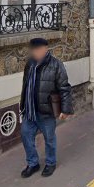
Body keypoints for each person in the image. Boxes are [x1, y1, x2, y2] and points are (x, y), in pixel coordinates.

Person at [19, 37, 73, 178]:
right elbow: (26, 86)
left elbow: (64, 88)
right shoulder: (29, 64)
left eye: (37, 50)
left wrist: (66, 109)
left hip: (46, 111)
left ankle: (50, 163)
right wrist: (23, 105)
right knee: (26, 136)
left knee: (49, 139)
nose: (34, 53)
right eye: (33, 50)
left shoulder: (56, 65)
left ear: (45, 49)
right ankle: (33, 163)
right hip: (30, 111)